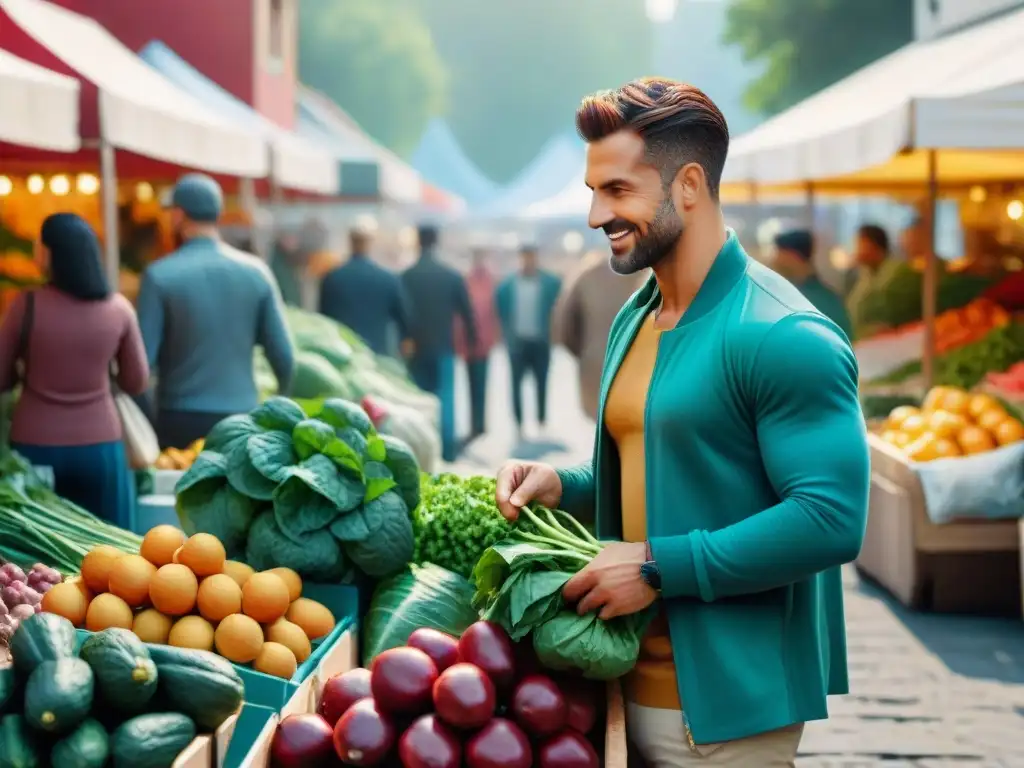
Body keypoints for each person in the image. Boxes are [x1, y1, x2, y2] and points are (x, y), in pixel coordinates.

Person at [495, 78, 869, 766]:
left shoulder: (784, 334)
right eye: (592, 190)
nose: (593, 215)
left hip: (723, 719)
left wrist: (657, 565)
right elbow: (666, 463)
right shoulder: (635, 316)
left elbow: (830, 517)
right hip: (614, 687)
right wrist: (566, 484)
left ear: (689, 185)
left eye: (616, 191)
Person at [0, 213, 149, 527]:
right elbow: (136, 381)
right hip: (101, 447)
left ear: (49, 253)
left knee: (41, 557)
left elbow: (1, 376)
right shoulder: (119, 308)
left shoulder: (25, 305)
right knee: (108, 549)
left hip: (34, 446)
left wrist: (22, 374)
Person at [137, 174, 295, 449]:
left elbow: (141, 367)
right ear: (218, 214)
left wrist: (149, 422)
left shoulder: (159, 276)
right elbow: (284, 356)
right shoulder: (257, 272)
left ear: (177, 216)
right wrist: (279, 397)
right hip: (241, 418)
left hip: (178, 419)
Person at [401, 225, 477, 463]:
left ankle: (421, 451)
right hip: (444, 347)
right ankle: (447, 451)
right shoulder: (451, 276)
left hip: (415, 349)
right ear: (436, 242)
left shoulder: (406, 276)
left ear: (418, 242)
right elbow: (467, 313)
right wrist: (472, 340)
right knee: (445, 402)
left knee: (418, 401)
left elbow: (401, 313)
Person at [552, 249, 646, 422]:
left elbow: (564, 324)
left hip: (595, 364)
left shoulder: (586, 273)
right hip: (636, 366)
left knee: (602, 423)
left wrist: (582, 354)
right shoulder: (648, 271)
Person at [495, 245, 562, 438]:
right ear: (520, 258)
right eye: (525, 257)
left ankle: (541, 420)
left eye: (531, 257)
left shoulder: (549, 282)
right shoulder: (508, 285)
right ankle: (519, 423)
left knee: (542, 381)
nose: (528, 261)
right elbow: (500, 310)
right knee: (515, 383)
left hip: (541, 341)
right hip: (517, 342)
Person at [318, 225, 412, 357]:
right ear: (370, 243)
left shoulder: (332, 278)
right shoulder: (387, 279)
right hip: (377, 354)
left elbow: (322, 319)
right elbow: (404, 320)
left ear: (350, 242)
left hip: (342, 353)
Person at [845, 222, 923, 340]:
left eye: (860, 244)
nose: (857, 249)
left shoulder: (898, 272)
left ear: (873, 245)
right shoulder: (864, 274)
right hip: (861, 341)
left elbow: (890, 311)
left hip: (889, 341)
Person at [773, 228, 853, 339]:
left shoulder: (823, 301)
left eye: (780, 254)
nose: (775, 261)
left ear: (793, 256)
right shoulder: (786, 293)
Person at [454, 247, 499, 441]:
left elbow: (494, 313)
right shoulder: (467, 280)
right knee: (472, 383)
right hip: (470, 342)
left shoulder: (489, 280)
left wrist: (493, 337)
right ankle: (475, 424)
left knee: (481, 383)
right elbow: (460, 315)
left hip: (483, 341)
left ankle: (480, 424)